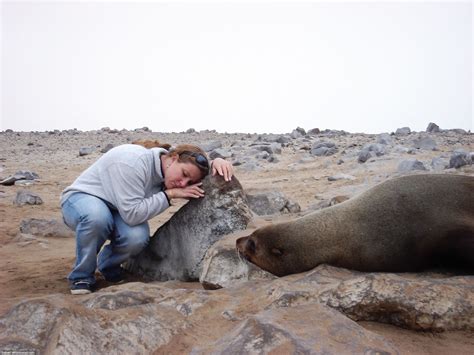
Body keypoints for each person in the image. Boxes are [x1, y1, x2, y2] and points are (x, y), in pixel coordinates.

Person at [60, 143, 233, 295]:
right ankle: (82, 276)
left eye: (189, 182)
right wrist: (169, 194)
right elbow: (132, 215)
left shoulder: (170, 164)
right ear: (172, 158)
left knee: (136, 237)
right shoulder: (132, 162)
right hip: (82, 199)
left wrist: (216, 162)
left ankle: (108, 265)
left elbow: (195, 162)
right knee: (97, 218)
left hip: (117, 208)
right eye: (184, 174)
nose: (183, 183)